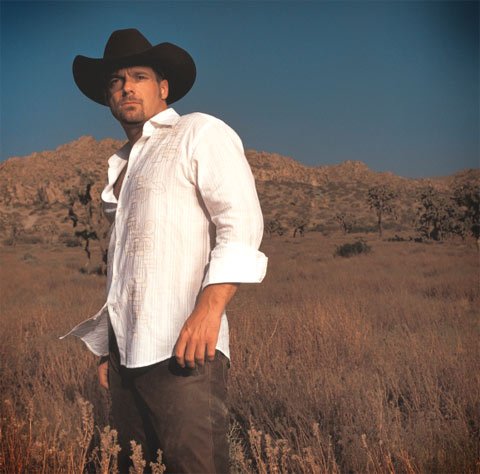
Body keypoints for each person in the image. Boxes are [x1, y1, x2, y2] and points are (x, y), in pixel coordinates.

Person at [62, 28, 267, 473]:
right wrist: (110, 347)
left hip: (185, 348)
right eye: (116, 80)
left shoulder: (199, 132)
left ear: (164, 87)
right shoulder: (122, 166)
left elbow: (241, 222)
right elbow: (128, 268)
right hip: (126, 357)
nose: (127, 87)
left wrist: (209, 310)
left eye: (139, 76)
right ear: (108, 96)